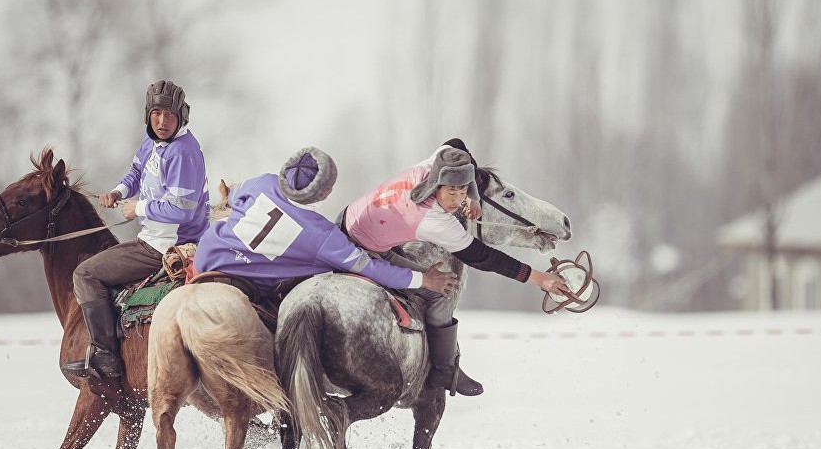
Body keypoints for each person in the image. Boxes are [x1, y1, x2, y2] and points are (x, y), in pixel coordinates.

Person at [339, 139, 568, 397]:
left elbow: (456, 143)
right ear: (437, 185)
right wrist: (539, 278)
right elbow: (482, 257)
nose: (457, 200)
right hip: (363, 250)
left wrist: (474, 196)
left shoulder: (429, 167)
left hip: (348, 219)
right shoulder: (433, 221)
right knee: (442, 290)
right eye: (452, 193)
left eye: (462, 192)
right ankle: (444, 370)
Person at [63, 80, 210, 378]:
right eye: (156, 113)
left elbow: (182, 209)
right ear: (147, 114)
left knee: (85, 274)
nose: (162, 121)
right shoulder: (152, 140)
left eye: (169, 114)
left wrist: (138, 208)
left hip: (168, 245)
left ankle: (106, 358)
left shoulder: (183, 152)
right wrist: (118, 191)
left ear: (182, 115)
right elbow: (136, 172)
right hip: (153, 237)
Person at [192, 146, 459, 304]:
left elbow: (232, 195)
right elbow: (371, 267)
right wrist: (424, 278)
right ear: (326, 192)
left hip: (203, 259)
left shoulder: (262, 182)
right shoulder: (322, 235)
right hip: (243, 288)